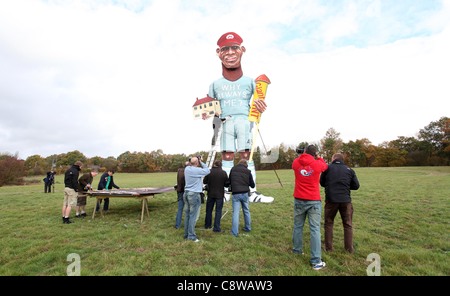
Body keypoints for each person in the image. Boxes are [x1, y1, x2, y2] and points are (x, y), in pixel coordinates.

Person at [207, 32, 270, 202]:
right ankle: (226, 191)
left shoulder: (250, 81)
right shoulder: (215, 84)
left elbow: (259, 100)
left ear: (242, 50)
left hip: (244, 120)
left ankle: (251, 192)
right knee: (227, 156)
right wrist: (210, 116)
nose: (230, 53)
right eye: (225, 49)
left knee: (246, 155)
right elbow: (210, 107)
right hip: (225, 122)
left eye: (234, 48)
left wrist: (260, 106)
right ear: (218, 52)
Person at [292, 145, 328, 270]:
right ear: (315, 154)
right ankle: (316, 260)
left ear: (305, 152)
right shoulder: (317, 164)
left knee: (297, 226)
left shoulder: (296, 162)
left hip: (299, 199)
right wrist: (319, 158)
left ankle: (297, 250)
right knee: (314, 229)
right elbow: (325, 166)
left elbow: (297, 162)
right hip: (313, 200)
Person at [320, 153, 360, 253]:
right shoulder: (349, 170)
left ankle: (328, 248)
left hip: (331, 200)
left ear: (333, 159)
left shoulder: (327, 168)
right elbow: (356, 186)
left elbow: (322, 183)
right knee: (347, 224)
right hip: (346, 201)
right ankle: (349, 249)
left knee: (328, 223)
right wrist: (345, 186)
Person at [183, 156, 210, 242]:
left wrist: (195, 160)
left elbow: (189, 163)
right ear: (197, 163)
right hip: (194, 194)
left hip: (186, 193)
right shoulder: (197, 170)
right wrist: (201, 161)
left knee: (187, 215)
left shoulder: (187, 169)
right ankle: (191, 236)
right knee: (193, 216)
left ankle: (186, 234)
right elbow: (207, 170)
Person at [229, 159, 255, 237]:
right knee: (246, 210)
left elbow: (229, 181)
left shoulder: (233, 169)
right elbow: (252, 185)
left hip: (236, 193)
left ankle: (234, 232)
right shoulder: (248, 171)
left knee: (236, 212)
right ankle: (248, 227)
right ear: (245, 164)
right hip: (245, 193)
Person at [203, 160, 230, 232]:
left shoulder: (209, 172)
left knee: (209, 210)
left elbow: (204, 181)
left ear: (214, 164)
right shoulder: (223, 173)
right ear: (221, 165)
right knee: (218, 211)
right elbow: (227, 184)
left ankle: (207, 225)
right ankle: (216, 228)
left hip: (210, 194)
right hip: (219, 194)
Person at [175, 161, 190, 229]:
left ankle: (177, 225)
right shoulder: (188, 172)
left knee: (180, 209)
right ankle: (188, 225)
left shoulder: (179, 171)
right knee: (189, 209)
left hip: (180, 191)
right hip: (186, 192)